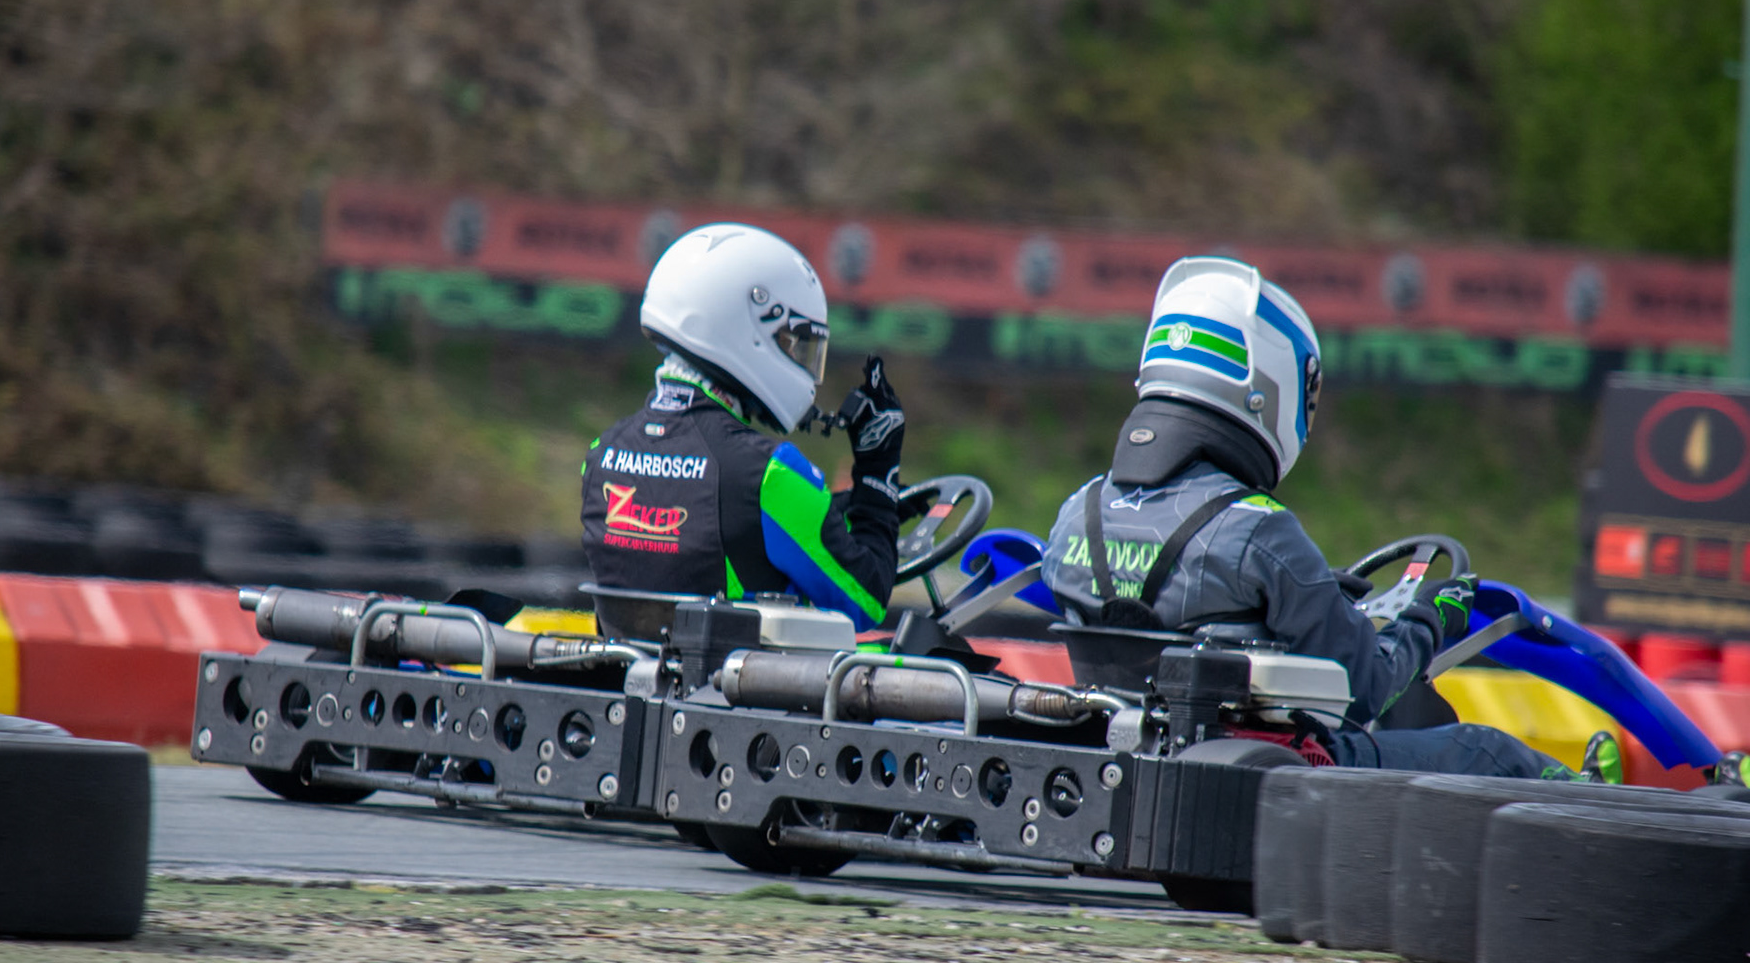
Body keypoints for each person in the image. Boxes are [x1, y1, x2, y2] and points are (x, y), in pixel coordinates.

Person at [1040, 255, 1606, 782]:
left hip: (1123, 759)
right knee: (1486, 751)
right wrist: (1430, 618)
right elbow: (1367, 687)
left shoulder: (1075, 514)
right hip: (1269, 772)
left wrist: (1314, 598)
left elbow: (1184, 607)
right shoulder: (1255, 528)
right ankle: (1595, 799)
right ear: (1266, 387)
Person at [581, 223, 904, 631]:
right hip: (732, 672)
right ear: (746, 329)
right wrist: (878, 479)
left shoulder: (601, 454)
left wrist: (842, 506)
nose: (803, 364)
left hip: (626, 666)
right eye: (794, 342)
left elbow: (712, 515)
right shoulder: (770, 474)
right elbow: (866, 599)